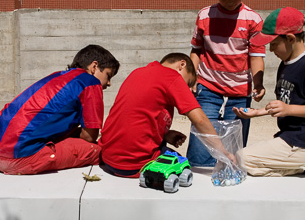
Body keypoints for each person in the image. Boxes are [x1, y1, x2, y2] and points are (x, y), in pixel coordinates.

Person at [0, 44, 120, 175]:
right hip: (17, 158)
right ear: (94, 67)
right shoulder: (90, 83)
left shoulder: (57, 76)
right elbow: (89, 137)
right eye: (108, 75)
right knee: (102, 151)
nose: (109, 83)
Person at [99, 53, 237, 178]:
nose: (188, 89)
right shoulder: (171, 76)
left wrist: (165, 135)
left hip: (108, 158)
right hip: (134, 164)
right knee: (181, 163)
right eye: (188, 83)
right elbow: (200, 119)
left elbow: (136, 117)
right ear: (182, 65)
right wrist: (223, 152)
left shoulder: (138, 72)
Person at [233, 7, 305, 176]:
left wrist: (289, 109)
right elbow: (284, 104)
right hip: (288, 139)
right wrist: (257, 112)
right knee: (243, 162)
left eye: (273, 44)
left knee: (241, 158)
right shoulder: (285, 64)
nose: (271, 50)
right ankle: (302, 166)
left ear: (290, 38)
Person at [187, 0, 266, 168]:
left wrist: (258, 83)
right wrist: (192, 78)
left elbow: (256, 56)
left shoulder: (253, 19)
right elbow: (196, 50)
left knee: (233, 143)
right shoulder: (205, 15)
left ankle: (229, 175)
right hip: (208, 86)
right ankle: (199, 175)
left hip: (240, 90)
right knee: (202, 139)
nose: (230, 1)